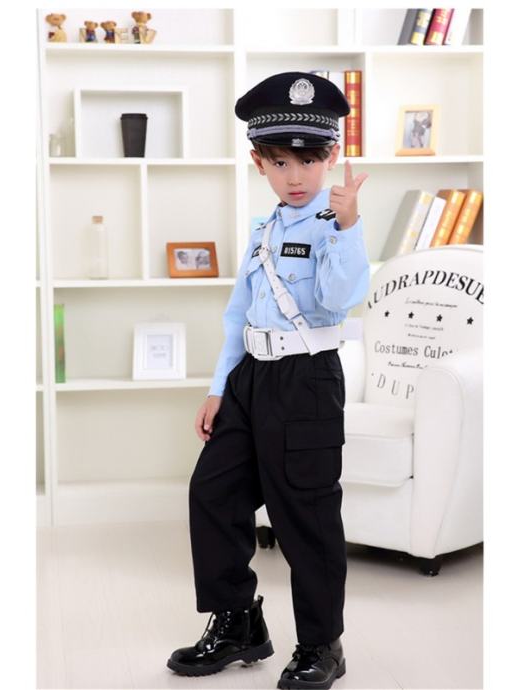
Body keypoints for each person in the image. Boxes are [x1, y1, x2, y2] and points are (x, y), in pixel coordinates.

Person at [166, 71, 370, 690]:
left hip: (306, 382)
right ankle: (239, 624)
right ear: (259, 162)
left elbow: (338, 299)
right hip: (250, 378)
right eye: (280, 162)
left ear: (330, 156)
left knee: (305, 514)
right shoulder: (264, 230)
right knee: (213, 493)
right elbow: (238, 316)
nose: (295, 175)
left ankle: (322, 644)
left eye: (308, 160)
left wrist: (349, 227)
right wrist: (218, 387)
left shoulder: (335, 225)